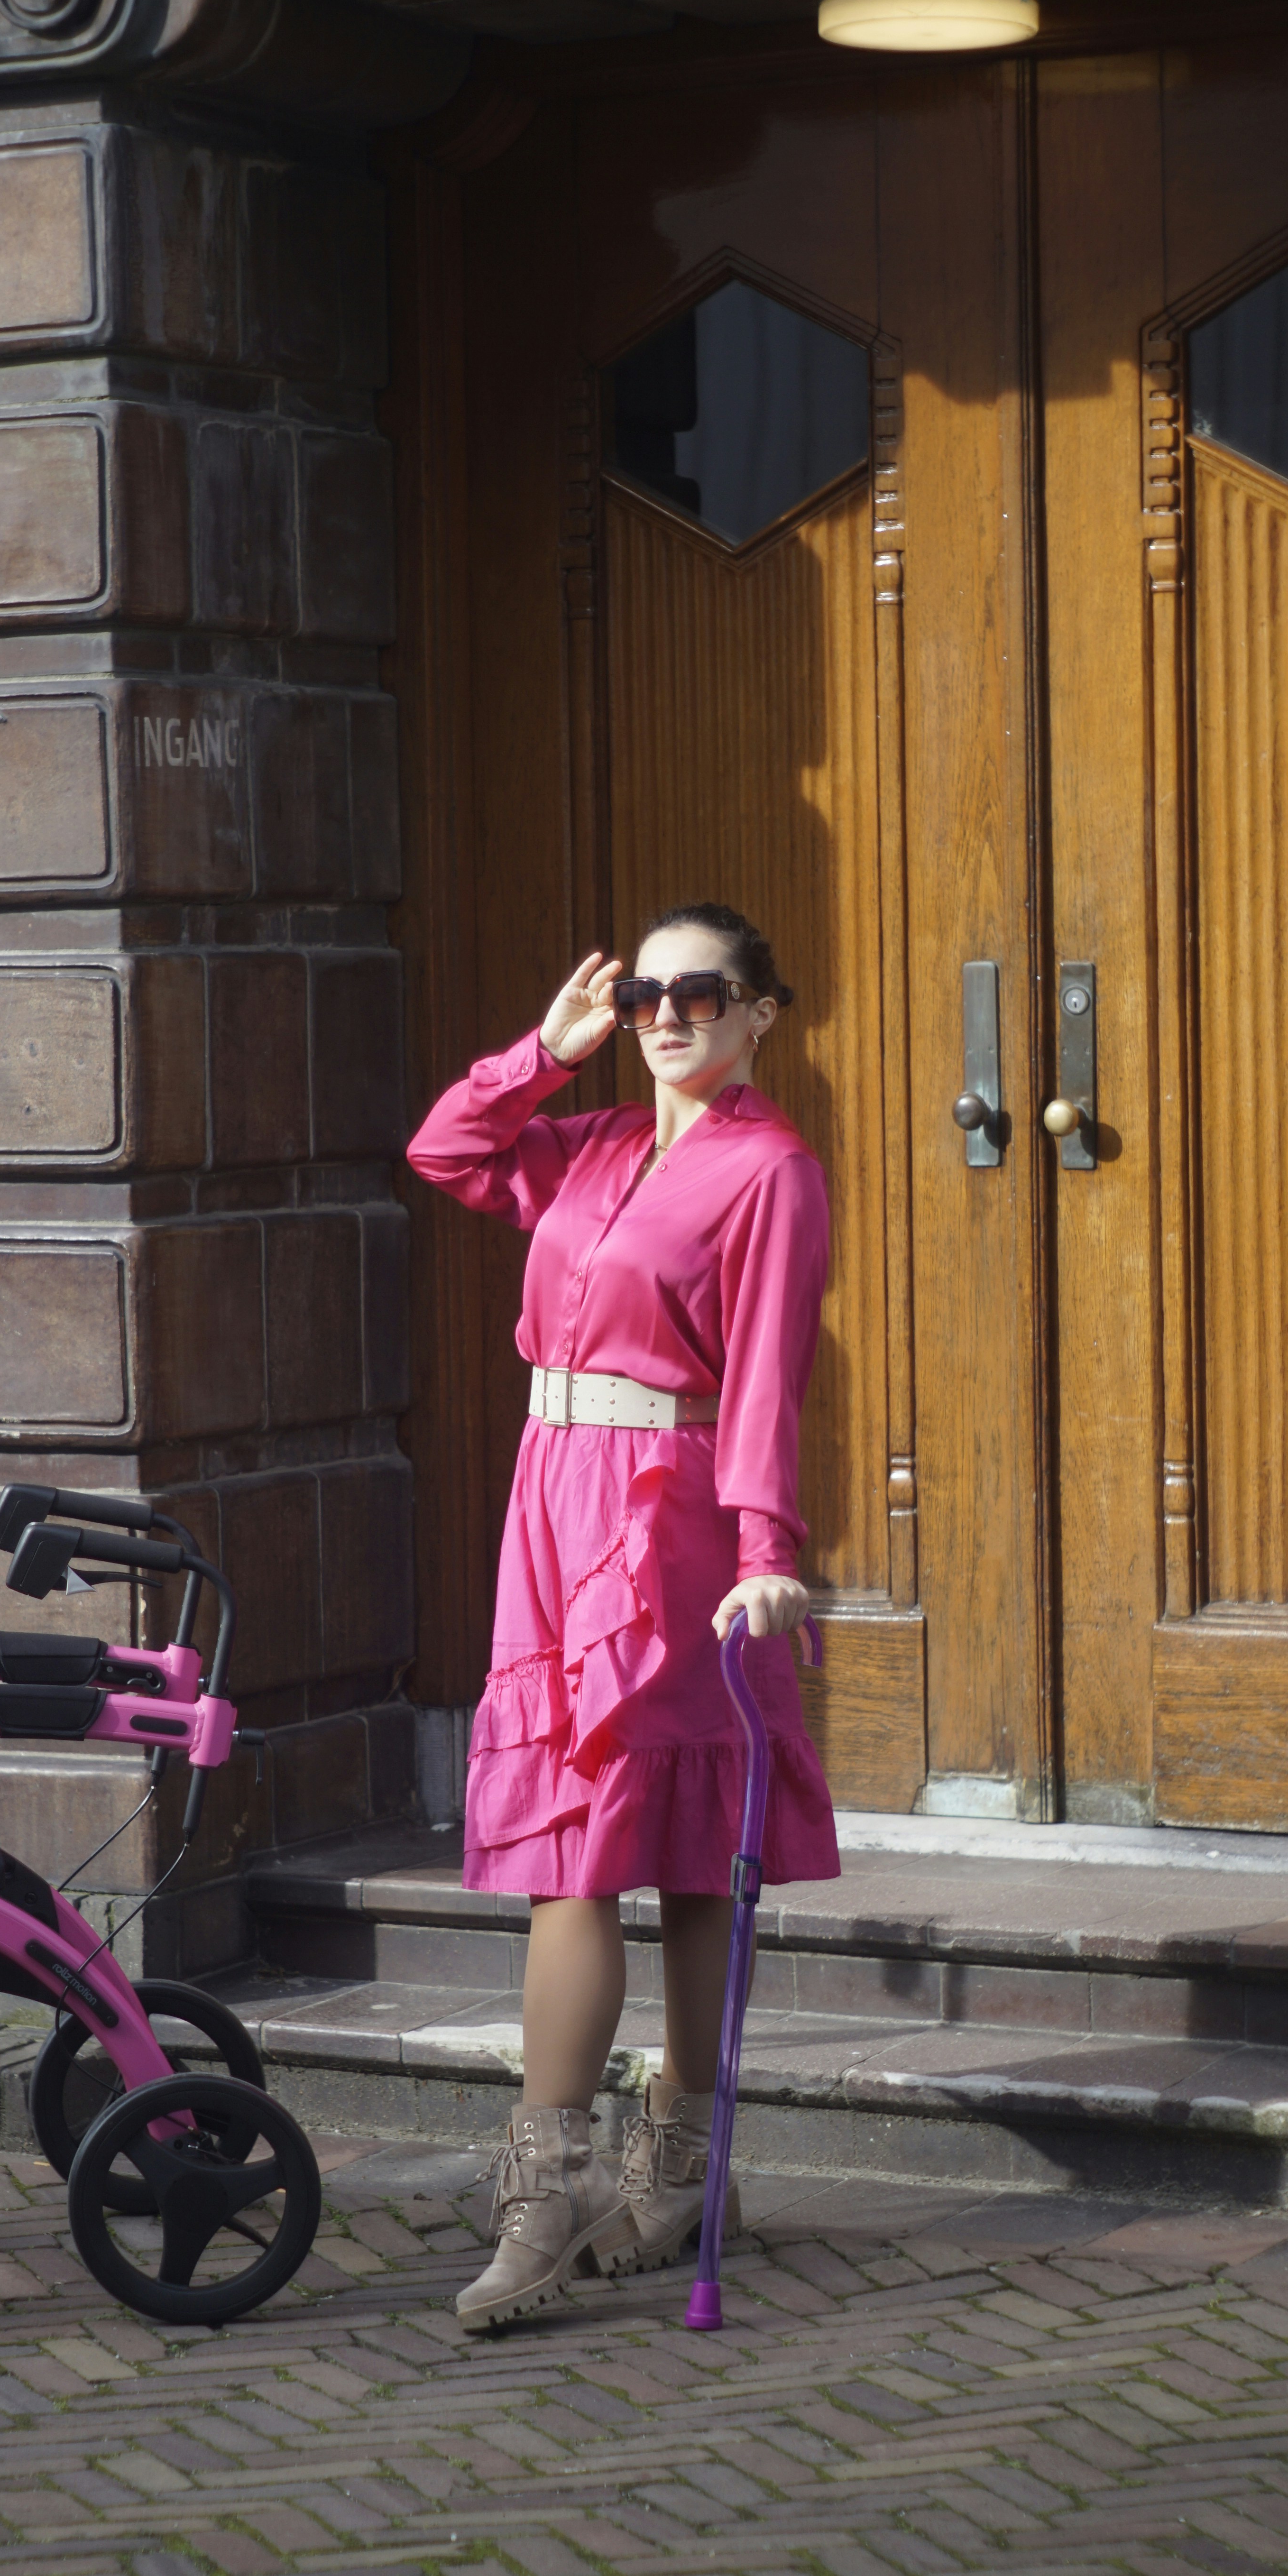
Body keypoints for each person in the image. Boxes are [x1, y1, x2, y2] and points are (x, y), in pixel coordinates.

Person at [407, 904, 839, 2335]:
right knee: (594, 1835)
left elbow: (770, 1374)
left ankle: (591, 2189)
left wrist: (768, 1545)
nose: (668, 1014)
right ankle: (610, 2181)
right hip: (553, 1503)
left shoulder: (771, 1170)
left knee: (649, 1852)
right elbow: (447, 1153)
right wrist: (544, 1050)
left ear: (760, 1012)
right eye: (648, 992)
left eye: (701, 992)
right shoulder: (585, 1147)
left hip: (673, 1517)